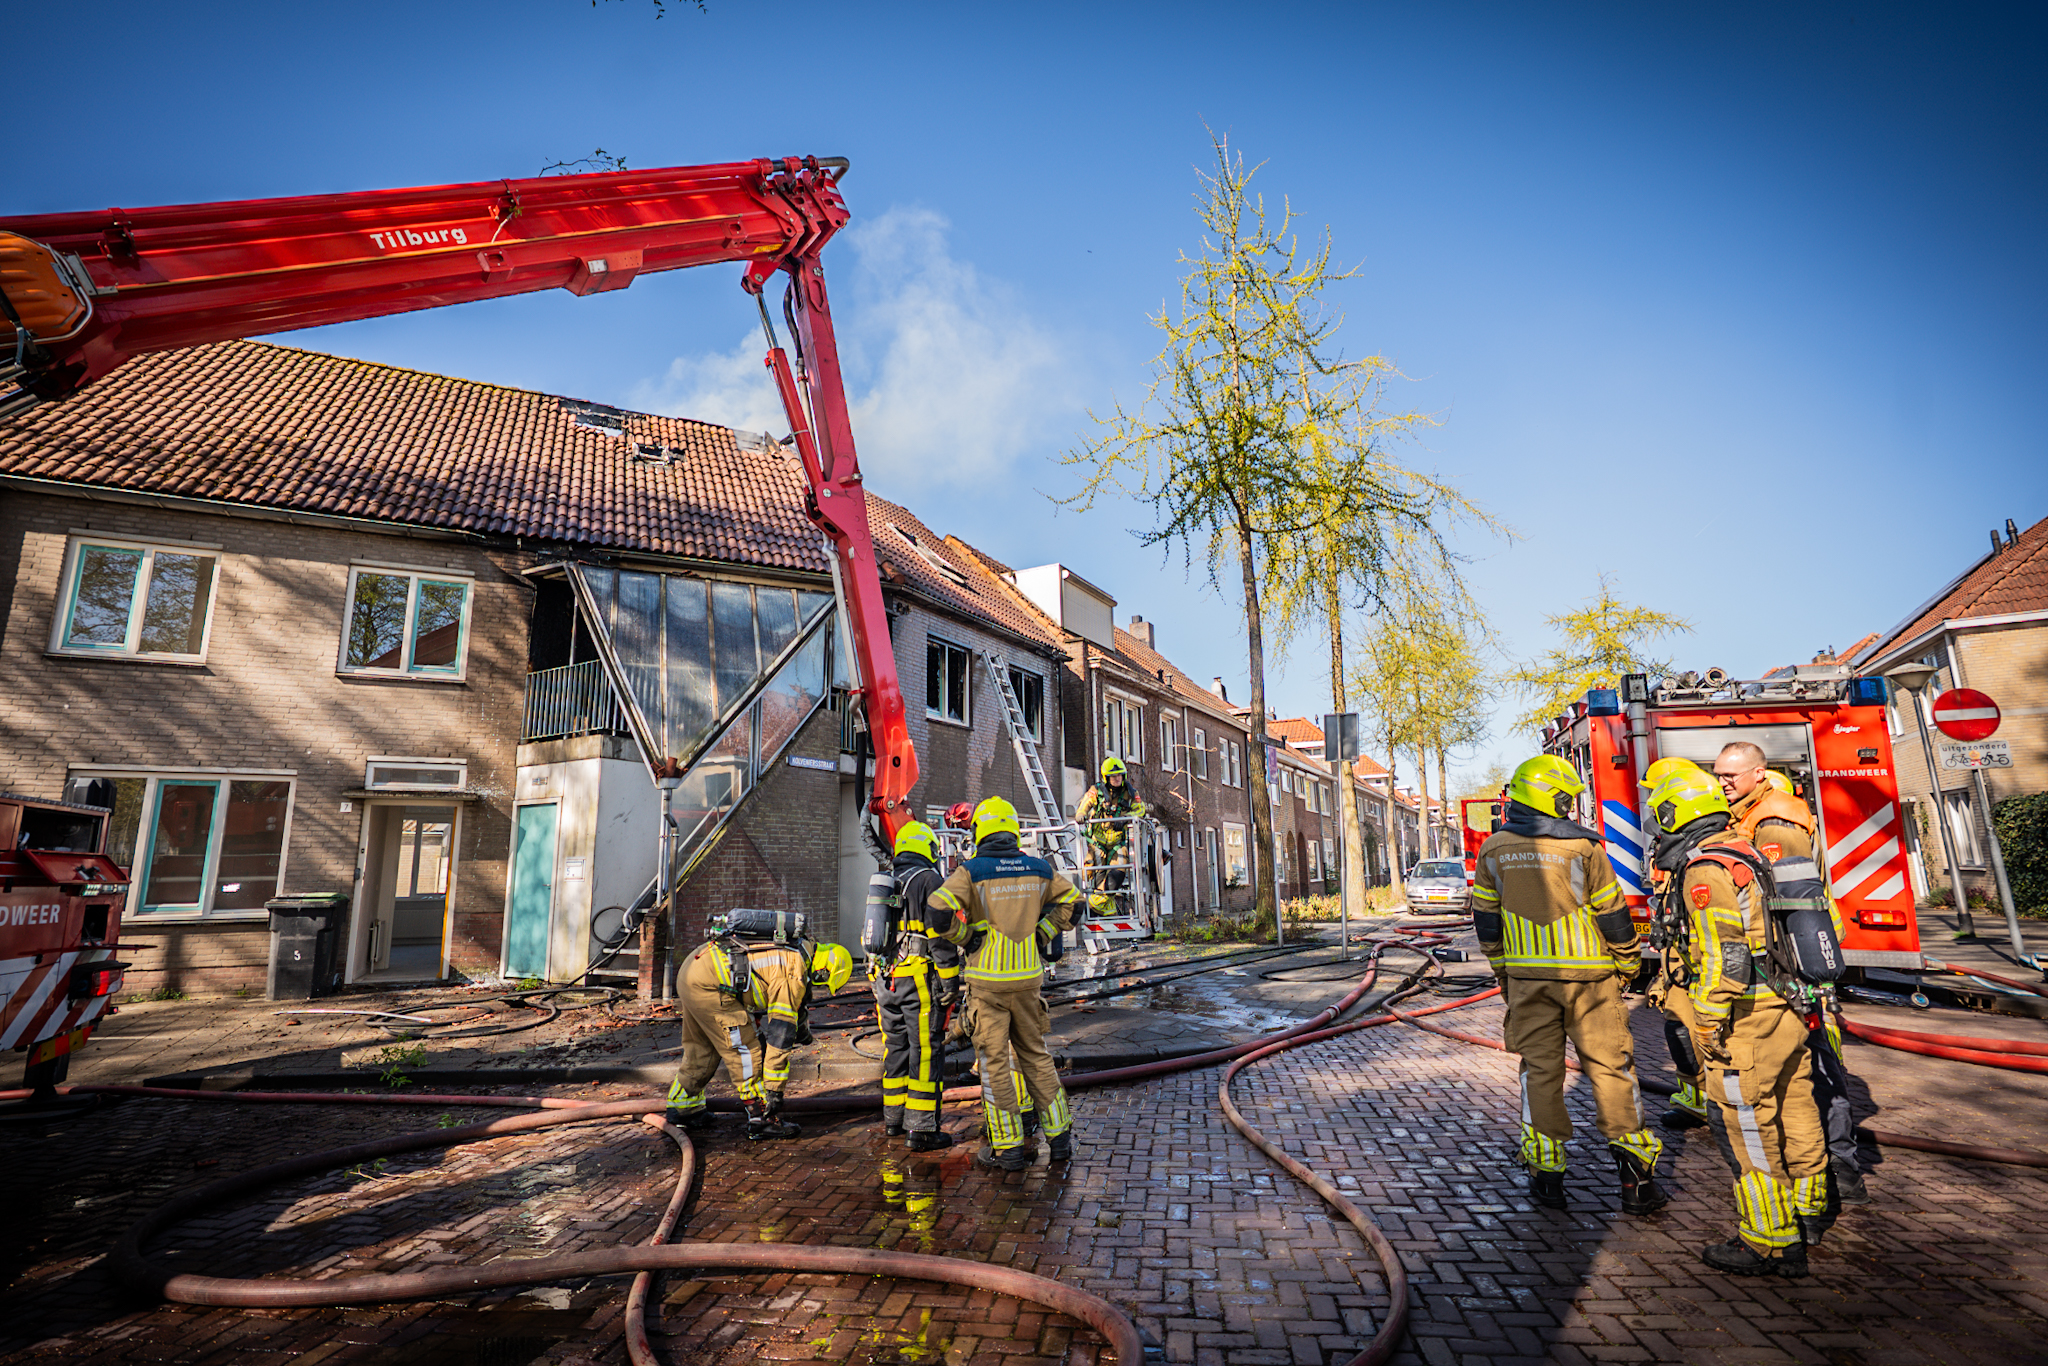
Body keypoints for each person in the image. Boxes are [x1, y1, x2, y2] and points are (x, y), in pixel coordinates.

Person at [1648, 765, 1828, 1277]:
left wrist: (1707, 1021)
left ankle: (1770, 1241)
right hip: (1787, 1004)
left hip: (1745, 1017)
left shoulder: (1705, 869)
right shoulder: (1749, 849)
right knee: (1797, 1107)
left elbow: (1724, 955)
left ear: (1674, 812)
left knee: (1745, 1123)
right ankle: (1810, 1209)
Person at [1473, 755, 1667, 1215]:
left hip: (1527, 982)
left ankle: (1547, 1179)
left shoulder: (1493, 849)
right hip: (1591, 983)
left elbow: (1485, 920)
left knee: (1539, 1073)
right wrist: (1627, 964)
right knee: (1612, 1072)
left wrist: (1504, 970)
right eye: (1566, 799)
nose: (1569, 807)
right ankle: (1636, 1181)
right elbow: (1613, 915)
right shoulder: (1585, 849)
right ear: (1551, 798)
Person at [1711, 741, 1868, 1208]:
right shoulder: (1750, 813)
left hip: (1798, 966)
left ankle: (1841, 1174)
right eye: (1718, 774)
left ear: (1759, 773)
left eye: (1731, 776)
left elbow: (1789, 900)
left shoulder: (1775, 820)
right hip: (1789, 963)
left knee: (1818, 1070)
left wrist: (1800, 972)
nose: (1722, 783)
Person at [928, 796, 1083, 1170]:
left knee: (995, 1064)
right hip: (1029, 982)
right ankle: (1059, 1139)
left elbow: (936, 910)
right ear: (1013, 831)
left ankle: (1009, 1149)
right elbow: (1075, 903)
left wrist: (967, 938)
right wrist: (1042, 934)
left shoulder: (972, 871)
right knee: (1037, 1057)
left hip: (988, 986)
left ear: (980, 831)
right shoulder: (1039, 868)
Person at [666, 916, 853, 1140]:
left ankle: (683, 1107)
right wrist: (774, 1090)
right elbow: (780, 1034)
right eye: (821, 982)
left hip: (694, 972)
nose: (818, 986)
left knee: (703, 1048)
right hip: (712, 985)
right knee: (745, 1050)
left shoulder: (799, 948)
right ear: (822, 971)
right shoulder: (794, 970)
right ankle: (761, 1118)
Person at [876, 821, 962, 1151]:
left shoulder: (885, 879)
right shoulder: (928, 880)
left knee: (895, 1047)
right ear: (926, 849)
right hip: (917, 977)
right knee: (925, 1048)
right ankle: (923, 1128)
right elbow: (939, 933)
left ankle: (893, 1121)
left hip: (885, 978)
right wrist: (949, 977)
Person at [1639, 757, 1714, 1135]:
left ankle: (1714, 1102)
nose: (1652, 803)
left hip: (1698, 959)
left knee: (1697, 1030)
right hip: (1679, 955)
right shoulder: (1676, 841)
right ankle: (1697, 1099)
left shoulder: (1701, 845)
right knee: (1678, 1028)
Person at [1075, 757, 1146, 909]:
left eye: (1119, 775)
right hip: (1097, 843)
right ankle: (1104, 906)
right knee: (1096, 873)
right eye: (1113, 776)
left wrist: (1126, 818)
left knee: (1119, 870)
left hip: (1117, 842)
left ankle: (1097, 903)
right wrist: (1081, 814)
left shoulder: (1131, 793)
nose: (1117, 778)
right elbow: (1085, 804)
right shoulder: (1096, 791)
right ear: (1106, 777)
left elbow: (1140, 810)